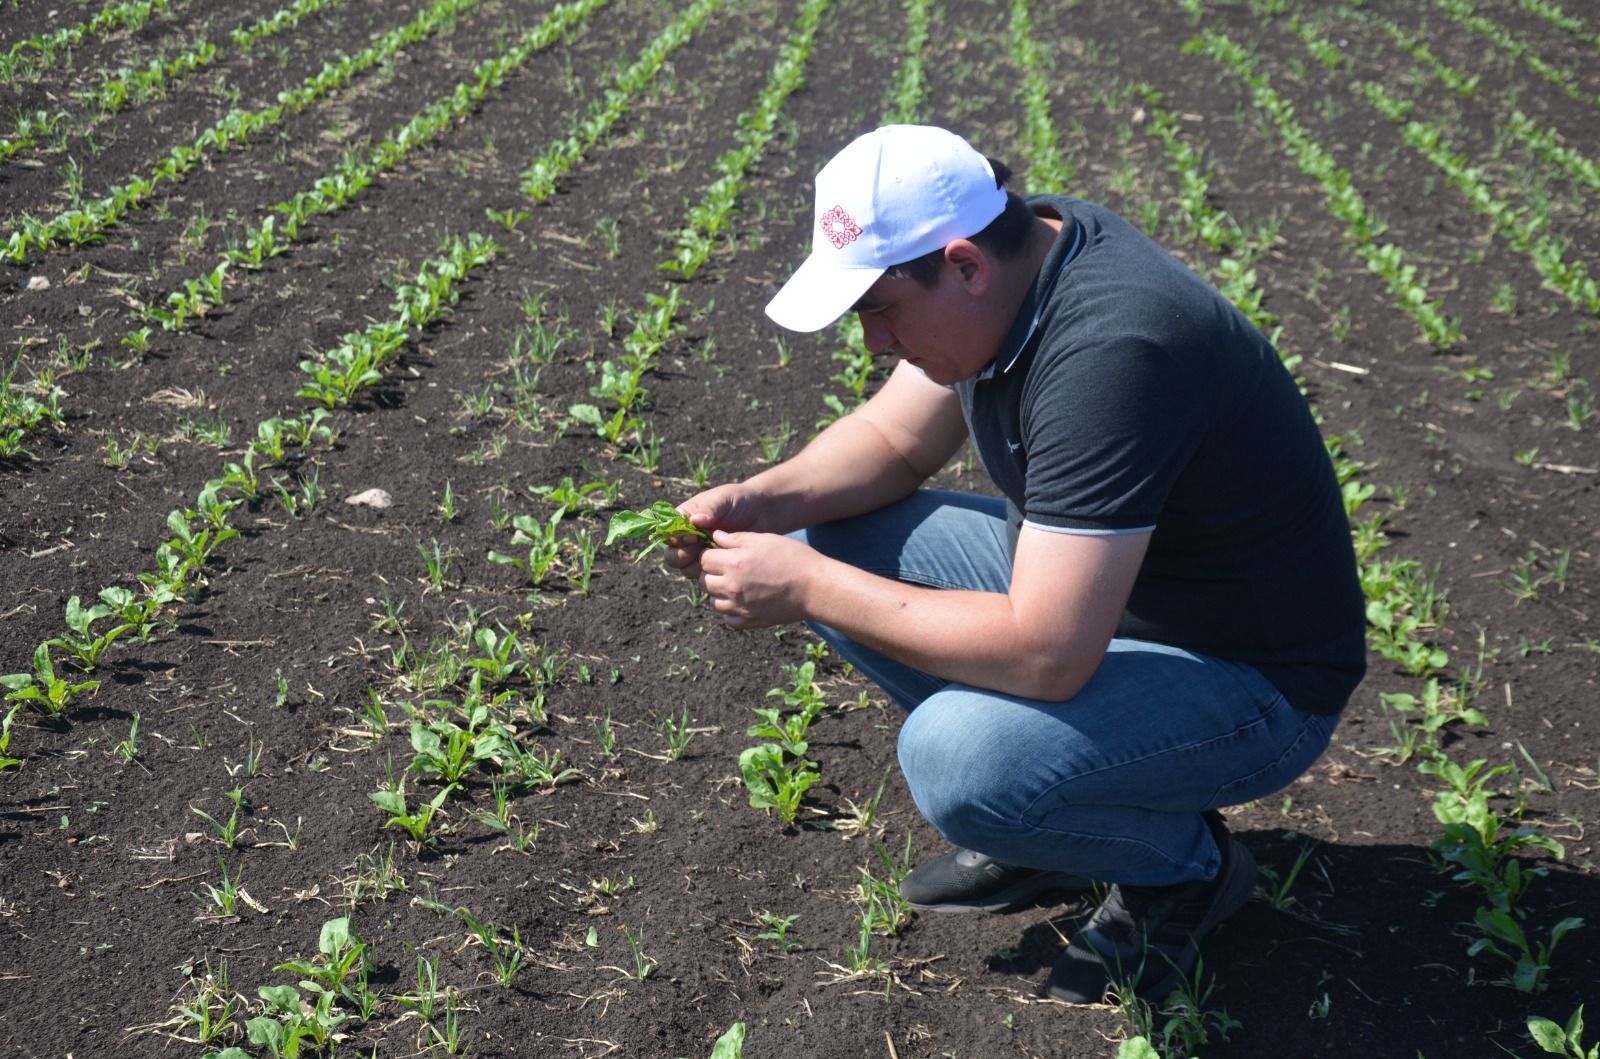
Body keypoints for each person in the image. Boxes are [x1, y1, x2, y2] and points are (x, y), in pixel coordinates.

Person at [664, 124, 1365, 1005]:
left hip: (1250, 680)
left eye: (880, 308)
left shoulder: (1114, 349)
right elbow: (889, 437)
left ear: (963, 264)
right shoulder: (1018, 261)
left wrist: (805, 589)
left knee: (960, 761)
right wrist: (759, 501)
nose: (874, 342)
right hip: (1113, 599)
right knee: (818, 532)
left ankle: (1183, 869)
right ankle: (1058, 826)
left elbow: (1047, 650)